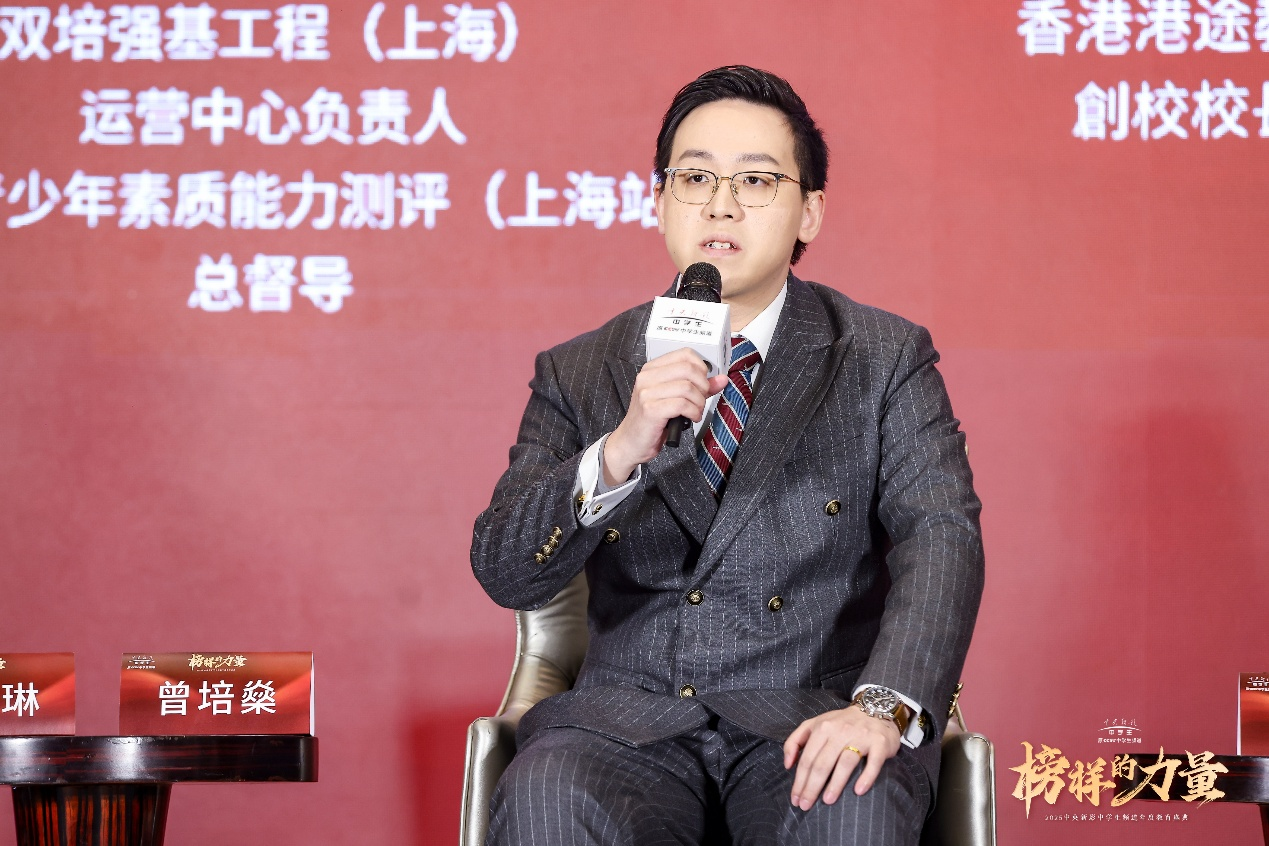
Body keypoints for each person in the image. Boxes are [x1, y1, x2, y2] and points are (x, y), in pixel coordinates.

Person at [470, 65, 984, 846]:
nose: (719, 203)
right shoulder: (580, 369)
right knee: (548, 796)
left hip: (812, 711)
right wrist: (618, 450)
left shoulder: (881, 357)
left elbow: (940, 536)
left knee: (850, 802)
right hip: (622, 727)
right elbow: (507, 571)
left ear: (809, 212)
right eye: (695, 177)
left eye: (755, 180)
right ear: (658, 202)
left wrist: (880, 707)